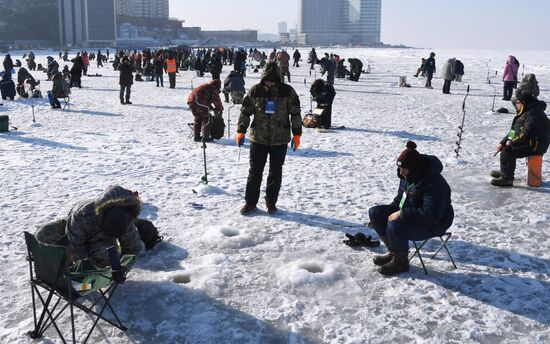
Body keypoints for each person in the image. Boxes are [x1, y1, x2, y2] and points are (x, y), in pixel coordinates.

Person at [368, 141, 454, 275]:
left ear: (415, 168)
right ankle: (394, 252)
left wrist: (402, 214)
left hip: (435, 223)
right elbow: (399, 201)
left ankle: (401, 263)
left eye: (404, 169)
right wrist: (385, 216)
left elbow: (431, 215)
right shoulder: (407, 176)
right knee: (375, 213)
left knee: (395, 225)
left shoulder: (434, 184)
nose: (401, 172)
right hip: (413, 214)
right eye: (399, 168)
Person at [236, 62, 302, 215]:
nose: (270, 83)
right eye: (267, 80)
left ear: (278, 79)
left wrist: (297, 134)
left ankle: (271, 202)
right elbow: (245, 112)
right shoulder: (255, 91)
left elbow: (295, 113)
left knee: (275, 172)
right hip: (258, 139)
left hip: (280, 140)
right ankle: (251, 202)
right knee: (255, 171)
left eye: (273, 80)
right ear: (263, 78)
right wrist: (241, 130)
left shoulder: (288, 91)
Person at [35, 185, 143, 268]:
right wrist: (86, 265)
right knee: (43, 234)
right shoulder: (83, 213)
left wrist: (123, 268)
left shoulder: (127, 219)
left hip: (100, 241)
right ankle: (64, 266)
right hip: (72, 230)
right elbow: (74, 243)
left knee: (107, 260)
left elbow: (133, 249)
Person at [491, 74, 550, 186]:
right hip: (531, 142)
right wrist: (503, 142)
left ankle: (507, 179)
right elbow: (514, 131)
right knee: (506, 148)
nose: (515, 105)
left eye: (517, 103)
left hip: (537, 145)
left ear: (522, 103)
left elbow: (527, 133)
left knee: (508, 151)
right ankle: (505, 173)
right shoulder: (524, 113)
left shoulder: (533, 113)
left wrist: (511, 142)